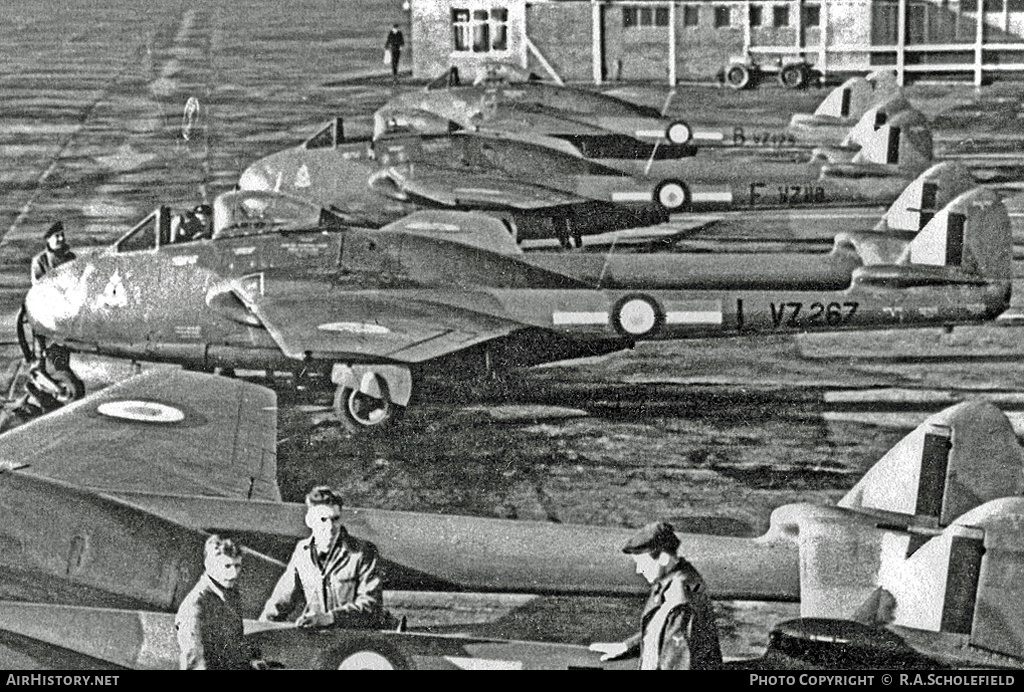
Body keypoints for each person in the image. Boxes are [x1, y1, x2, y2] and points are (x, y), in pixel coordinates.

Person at [589, 521, 722, 670]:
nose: (639, 570)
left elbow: (679, 662)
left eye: (642, 563)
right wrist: (626, 646)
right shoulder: (671, 578)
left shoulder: (679, 599)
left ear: (663, 558)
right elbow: (658, 629)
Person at [260, 486, 390, 629]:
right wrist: (260, 627)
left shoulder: (362, 552)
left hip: (357, 640)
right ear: (310, 521)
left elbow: (371, 606)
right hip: (320, 639)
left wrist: (330, 618)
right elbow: (281, 601)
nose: (329, 527)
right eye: (322, 520)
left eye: (334, 519)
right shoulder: (303, 552)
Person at [175, 535, 264, 670]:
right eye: (227, 566)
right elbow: (197, 665)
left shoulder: (230, 593)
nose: (234, 573)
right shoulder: (194, 607)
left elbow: (233, 645)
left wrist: (251, 660)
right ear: (209, 564)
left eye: (237, 566)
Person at [30, 221, 75, 286]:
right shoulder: (40, 260)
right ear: (48, 239)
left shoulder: (70, 256)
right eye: (57, 236)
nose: (61, 238)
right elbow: (37, 287)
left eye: (62, 234)